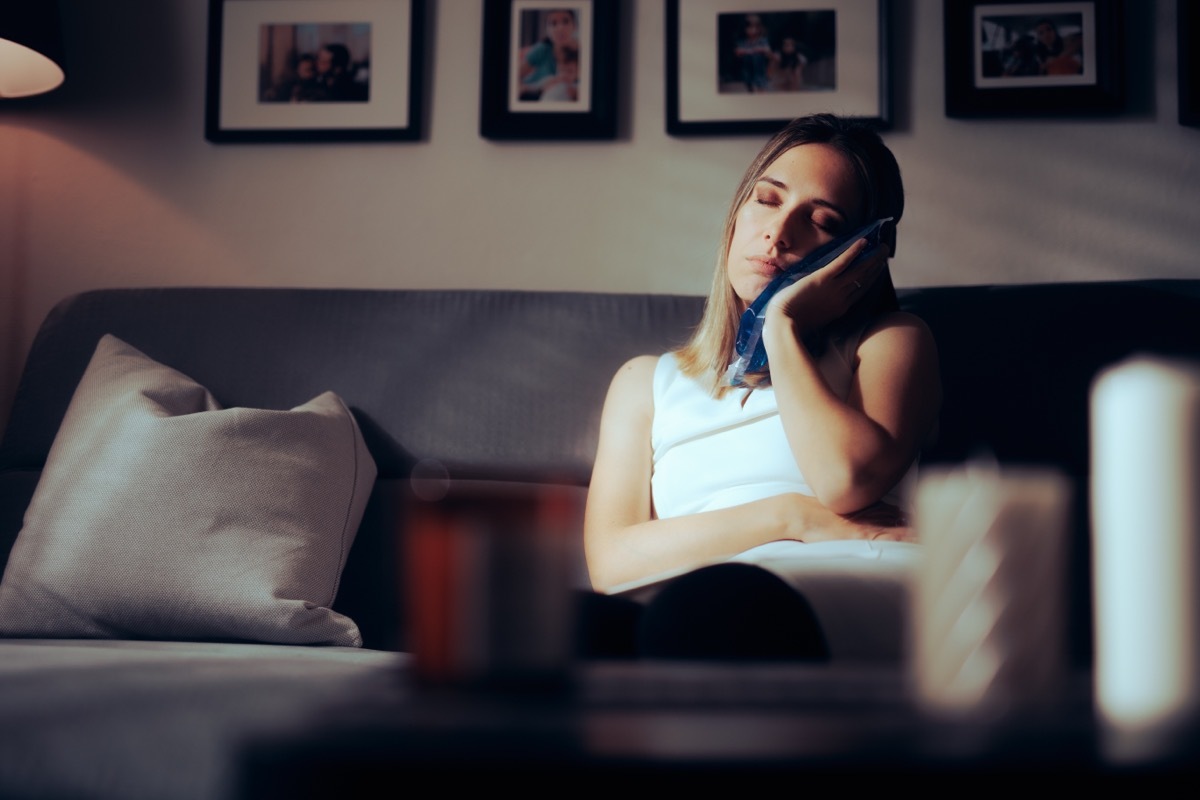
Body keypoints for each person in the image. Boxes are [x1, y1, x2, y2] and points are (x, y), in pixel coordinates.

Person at [580, 113, 941, 660]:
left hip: (843, 582)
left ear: (863, 254)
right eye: (767, 200)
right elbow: (610, 563)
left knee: (710, 611)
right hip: (685, 603)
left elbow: (845, 481)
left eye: (821, 221)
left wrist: (782, 325)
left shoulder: (892, 341)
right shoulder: (644, 383)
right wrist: (793, 517)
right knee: (565, 624)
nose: (779, 233)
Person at [519, 9, 578, 101]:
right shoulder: (543, 48)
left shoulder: (583, 52)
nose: (560, 28)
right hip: (531, 94)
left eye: (566, 22)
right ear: (547, 30)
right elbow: (515, 75)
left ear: (574, 26)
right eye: (553, 23)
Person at [734, 14, 773, 93]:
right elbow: (737, 52)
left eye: (755, 27)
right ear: (744, 29)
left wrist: (757, 49)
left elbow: (768, 50)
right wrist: (749, 51)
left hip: (760, 70)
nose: (753, 30)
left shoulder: (762, 40)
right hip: (747, 70)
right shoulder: (743, 41)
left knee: (761, 87)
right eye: (750, 27)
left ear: (759, 28)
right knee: (750, 87)